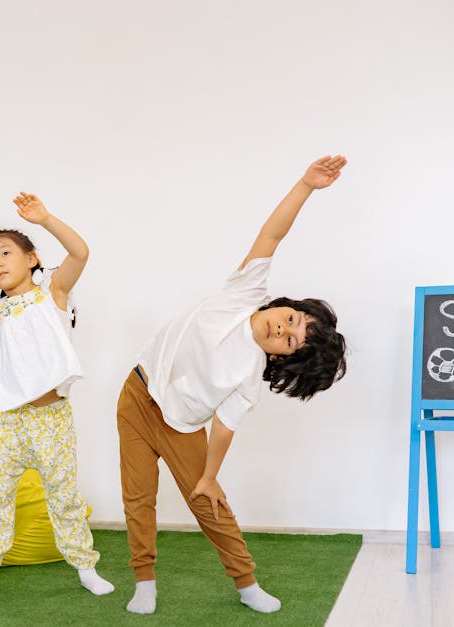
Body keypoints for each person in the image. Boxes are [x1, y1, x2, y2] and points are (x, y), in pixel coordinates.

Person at [117, 155, 349, 615]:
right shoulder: (244, 292)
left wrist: (209, 477)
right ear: (285, 305)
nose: (279, 331)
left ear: (284, 359)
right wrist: (306, 184)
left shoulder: (247, 377)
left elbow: (224, 429)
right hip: (136, 394)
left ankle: (245, 582)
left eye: (289, 342)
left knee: (208, 504)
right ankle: (144, 581)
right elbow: (272, 234)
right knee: (138, 496)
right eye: (289, 321)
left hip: (180, 426)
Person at [0, 193, 114, 602]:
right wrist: (0, 382)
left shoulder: (53, 294)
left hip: (51, 418)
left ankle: (85, 566)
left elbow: (80, 253)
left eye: (5, 253)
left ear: (31, 259)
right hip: (9, 419)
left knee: (63, 495)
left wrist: (44, 218)